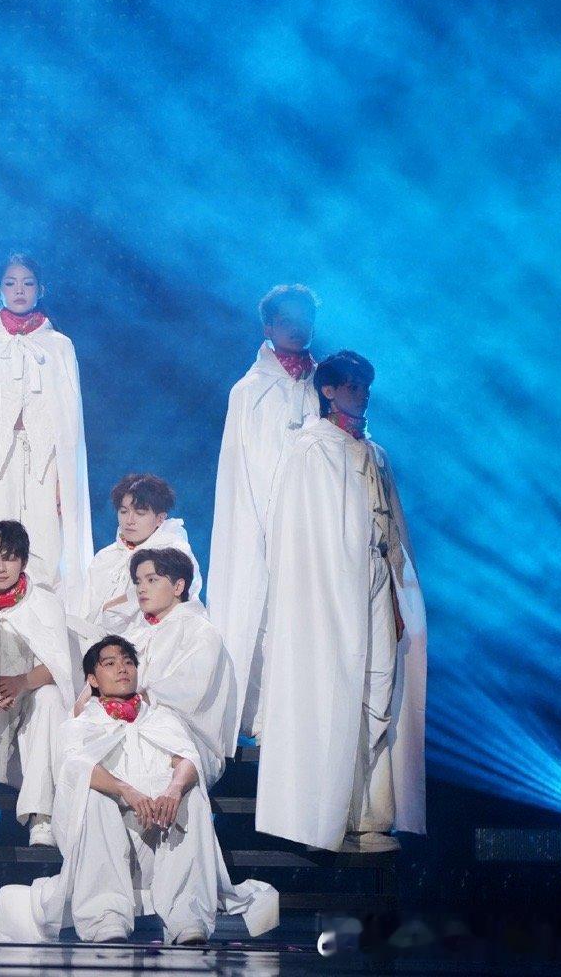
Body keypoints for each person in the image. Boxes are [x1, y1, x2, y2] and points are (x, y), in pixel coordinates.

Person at [0, 636, 279, 945]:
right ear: (93, 679)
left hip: (159, 827)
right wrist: (126, 792)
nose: (122, 669)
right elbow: (77, 766)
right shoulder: (80, 724)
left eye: (128, 662)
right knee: (94, 796)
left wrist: (173, 790)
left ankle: (186, 916)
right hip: (106, 834)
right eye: (110, 663)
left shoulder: (161, 718)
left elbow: (188, 758)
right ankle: (105, 915)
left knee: (189, 794)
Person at [255, 351, 427, 853]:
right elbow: (299, 537)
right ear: (328, 390)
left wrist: (397, 596)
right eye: (352, 385)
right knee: (333, 693)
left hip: (374, 582)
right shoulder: (311, 449)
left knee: (378, 687)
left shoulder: (374, 454)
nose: (362, 394)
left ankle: (368, 815)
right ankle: (321, 819)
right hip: (330, 593)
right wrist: (327, 594)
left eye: (366, 386)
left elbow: (393, 533)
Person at [206, 285, 320, 739]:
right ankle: (254, 714)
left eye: (304, 319)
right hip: (262, 516)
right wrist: (264, 520)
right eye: (286, 320)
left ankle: (302, 712)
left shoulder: (326, 387)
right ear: (269, 327)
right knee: (260, 606)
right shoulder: (249, 391)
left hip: (312, 521)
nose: (296, 328)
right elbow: (241, 469)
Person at [0, 257, 92, 613]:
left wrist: (65, 478)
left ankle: (45, 621)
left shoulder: (58, 346)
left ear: (40, 289)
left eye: (27, 283)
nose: (19, 290)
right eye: (11, 283)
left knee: (45, 540)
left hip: (43, 461)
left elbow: (70, 423)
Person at [0, 520, 76, 847]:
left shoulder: (44, 602)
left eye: (9, 558)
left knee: (50, 698)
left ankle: (42, 817)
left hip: (26, 700)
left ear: (23, 561)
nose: (0, 567)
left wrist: (20, 683)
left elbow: (58, 667)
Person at [108, 548, 238, 781]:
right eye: (138, 581)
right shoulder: (135, 634)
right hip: (133, 722)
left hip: (185, 735)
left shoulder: (201, 631)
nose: (141, 588)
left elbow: (189, 691)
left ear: (178, 587)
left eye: (152, 580)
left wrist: (135, 698)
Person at [75, 473, 202, 645]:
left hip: (158, 645)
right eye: (123, 511)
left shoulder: (174, 552)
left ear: (160, 518)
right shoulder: (104, 557)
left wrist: (112, 608)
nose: (129, 520)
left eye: (140, 513)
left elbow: (183, 608)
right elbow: (86, 611)